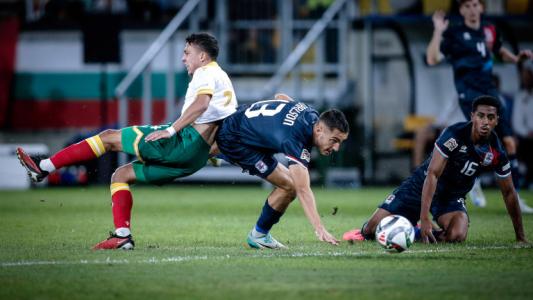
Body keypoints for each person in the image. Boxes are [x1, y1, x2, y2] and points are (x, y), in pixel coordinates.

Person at [16, 32, 238, 250]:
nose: (183, 58)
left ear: (202, 57)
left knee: (108, 138)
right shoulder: (224, 79)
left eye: (187, 52)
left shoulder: (205, 72)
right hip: (195, 157)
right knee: (121, 175)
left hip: (182, 142)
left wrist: (171, 130)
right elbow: (224, 123)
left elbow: (201, 104)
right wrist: (211, 151)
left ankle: (43, 167)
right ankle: (122, 236)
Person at [343, 96, 527, 244]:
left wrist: (520, 236)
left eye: (490, 117)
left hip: (451, 197)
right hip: (420, 186)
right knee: (371, 230)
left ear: (497, 121)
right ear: (472, 116)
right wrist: (424, 218)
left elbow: (509, 193)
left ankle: (413, 233)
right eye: (480, 116)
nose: (485, 121)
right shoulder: (453, 136)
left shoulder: (496, 151)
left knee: (457, 235)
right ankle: (385, 228)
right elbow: (432, 174)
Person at [425, 0, 533, 213]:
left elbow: (499, 51)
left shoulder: (489, 30)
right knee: (477, 138)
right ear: (461, 10)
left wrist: (516, 58)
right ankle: (472, 181)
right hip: (469, 94)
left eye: (475, 4)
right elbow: (432, 58)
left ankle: (516, 197)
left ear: (482, 7)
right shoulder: (455, 35)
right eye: (467, 6)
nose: (472, 9)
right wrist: (438, 31)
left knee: (509, 143)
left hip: (490, 93)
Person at [215, 96, 349, 249]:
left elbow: (281, 97)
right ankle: (259, 236)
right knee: (290, 186)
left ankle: (212, 151)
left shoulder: (310, 113)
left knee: (290, 185)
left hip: (239, 116)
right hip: (236, 140)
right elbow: (303, 190)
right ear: (319, 130)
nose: (337, 148)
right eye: (334, 140)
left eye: (340, 142)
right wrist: (320, 228)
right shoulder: (296, 139)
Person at [513, 60, 533, 190]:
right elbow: (516, 121)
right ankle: (524, 180)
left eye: (528, 75)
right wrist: (528, 132)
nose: (525, 79)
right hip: (525, 138)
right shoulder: (520, 96)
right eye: (523, 76)